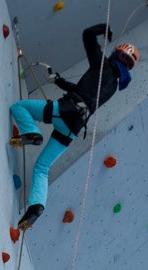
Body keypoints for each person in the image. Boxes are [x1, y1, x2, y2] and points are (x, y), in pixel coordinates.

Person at [8, 24, 139, 233]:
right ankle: (36, 207)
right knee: (42, 168)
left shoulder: (103, 65)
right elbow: (83, 94)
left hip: (65, 111)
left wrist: (103, 28)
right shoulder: (113, 85)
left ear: (117, 53)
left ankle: (32, 133)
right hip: (74, 127)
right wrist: (59, 82)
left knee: (20, 107)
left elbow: (87, 34)